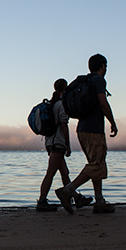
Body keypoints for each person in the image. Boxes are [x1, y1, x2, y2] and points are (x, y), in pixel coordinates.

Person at [56, 53, 117, 214]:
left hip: (82, 129)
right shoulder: (98, 80)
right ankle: (67, 191)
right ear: (103, 66)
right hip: (94, 129)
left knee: (95, 164)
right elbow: (103, 103)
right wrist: (112, 122)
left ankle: (99, 201)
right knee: (96, 164)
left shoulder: (85, 81)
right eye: (106, 66)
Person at [36, 78, 93, 212]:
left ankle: (76, 198)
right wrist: (68, 145)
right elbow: (63, 125)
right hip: (58, 143)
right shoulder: (61, 105)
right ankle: (42, 201)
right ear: (65, 88)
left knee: (64, 173)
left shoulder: (53, 103)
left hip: (50, 142)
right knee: (50, 173)